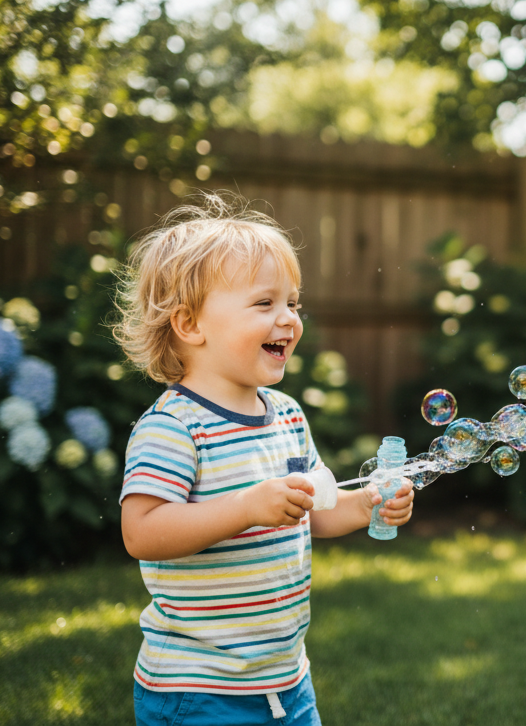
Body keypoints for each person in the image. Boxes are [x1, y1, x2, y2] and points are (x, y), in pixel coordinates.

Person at [112, 192, 413, 725]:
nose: (289, 319)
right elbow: (142, 531)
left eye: (293, 303)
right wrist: (246, 508)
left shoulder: (289, 416)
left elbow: (316, 509)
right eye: (264, 304)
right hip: (199, 686)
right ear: (189, 325)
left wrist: (369, 505)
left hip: (286, 679)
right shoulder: (174, 427)